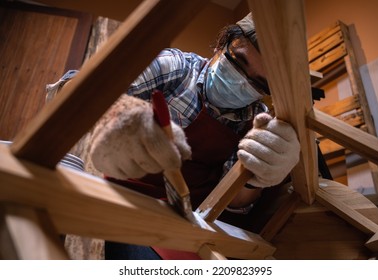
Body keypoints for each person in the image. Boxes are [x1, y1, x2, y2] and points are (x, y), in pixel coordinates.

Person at [48, 13, 300, 259]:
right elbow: (76, 90)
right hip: (131, 197)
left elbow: (234, 202)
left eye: (258, 83)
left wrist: (259, 176)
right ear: (222, 44)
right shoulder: (177, 68)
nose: (241, 82)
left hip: (192, 217)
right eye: (239, 61)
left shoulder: (257, 120)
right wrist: (115, 117)